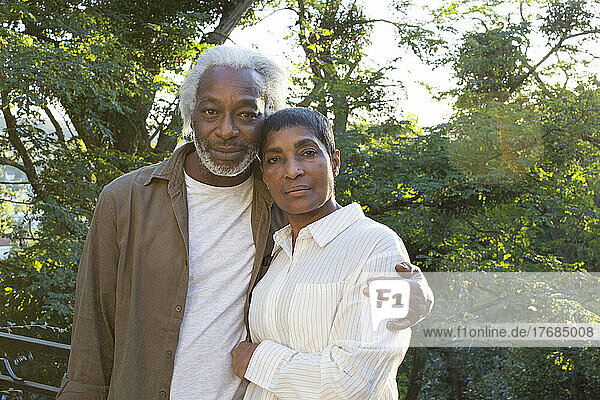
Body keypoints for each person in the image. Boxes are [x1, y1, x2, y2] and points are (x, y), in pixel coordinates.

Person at [57, 46, 432, 400]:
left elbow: (360, 253)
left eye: (247, 114)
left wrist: (416, 297)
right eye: (210, 111)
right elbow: (93, 328)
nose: (227, 129)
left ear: (266, 120)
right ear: (190, 117)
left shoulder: (285, 200)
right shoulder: (126, 200)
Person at [231, 107, 421, 399]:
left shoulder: (380, 248)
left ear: (334, 162)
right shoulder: (277, 253)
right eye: (275, 160)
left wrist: (256, 360)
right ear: (265, 175)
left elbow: (354, 381)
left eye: (307, 153)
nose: (292, 170)